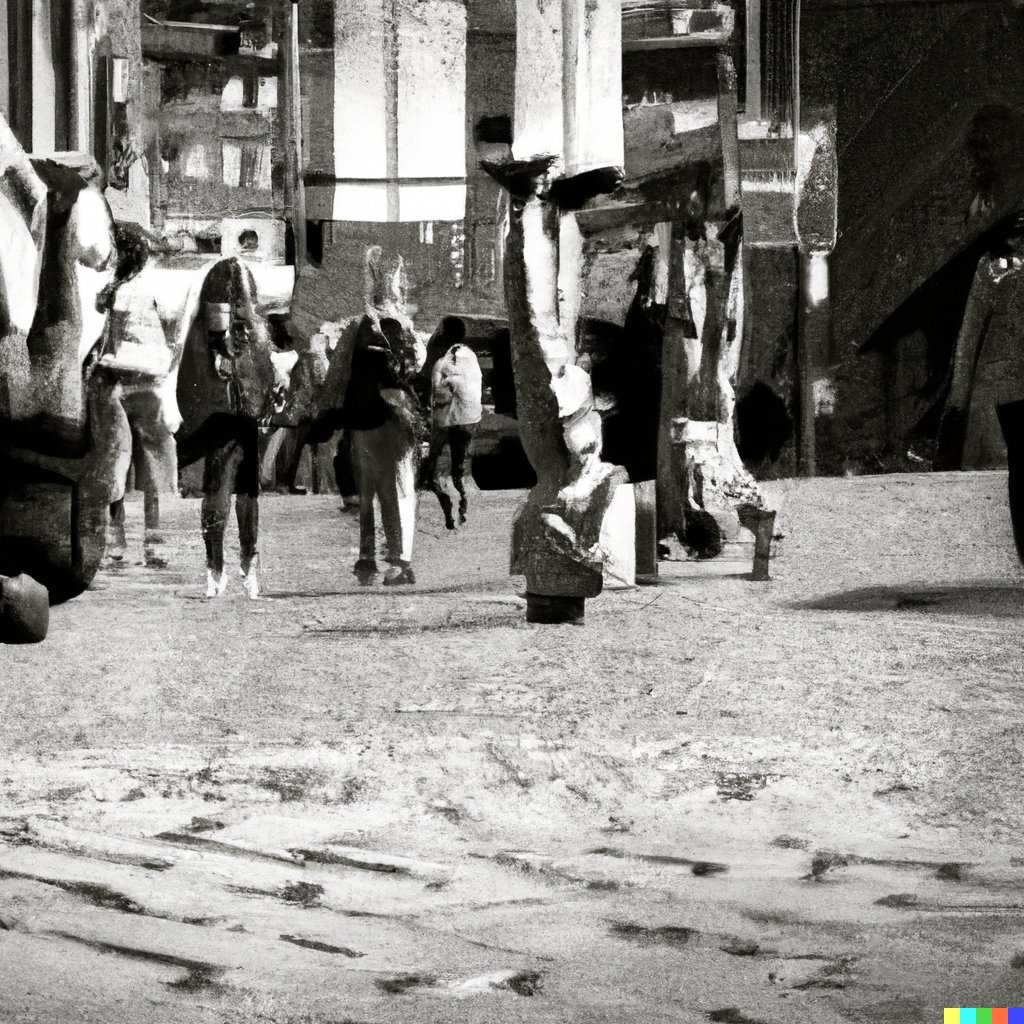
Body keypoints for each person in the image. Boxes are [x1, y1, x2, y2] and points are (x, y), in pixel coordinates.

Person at [343, 316, 423, 586]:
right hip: (384, 434)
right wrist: (410, 415)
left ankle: (367, 560)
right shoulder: (382, 359)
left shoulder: (352, 360)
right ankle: (398, 562)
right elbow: (393, 396)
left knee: (367, 500)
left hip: (359, 434)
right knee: (392, 496)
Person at [424, 341, 482, 530]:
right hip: (468, 423)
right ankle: (461, 508)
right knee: (458, 470)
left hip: (446, 424)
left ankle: (451, 513)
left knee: (437, 474)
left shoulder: (441, 364)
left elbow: (437, 394)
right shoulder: (471, 363)